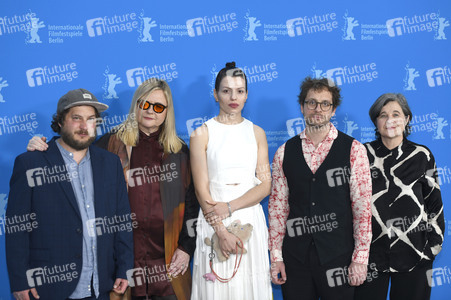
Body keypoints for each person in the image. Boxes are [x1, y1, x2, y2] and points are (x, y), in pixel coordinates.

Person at [26, 79, 199, 300]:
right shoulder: (110, 144)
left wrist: (186, 248)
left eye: (158, 107)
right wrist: (42, 147)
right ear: (136, 104)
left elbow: (192, 207)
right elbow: (73, 149)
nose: (150, 111)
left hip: (167, 264)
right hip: (121, 264)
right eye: (144, 103)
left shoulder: (179, 151)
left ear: (167, 112)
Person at [6, 88, 134, 300]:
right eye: (76, 118)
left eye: (91, 119)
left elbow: (121, 221)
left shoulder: (110, 163)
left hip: (100, 286)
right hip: (48, 288)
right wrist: (20, 280)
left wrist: (124, 267)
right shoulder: (31, 163)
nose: (85, 126)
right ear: (60, 122)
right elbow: (17, 228)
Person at [269, 77, 373, 300]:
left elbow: (363, 210)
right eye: (312, 102)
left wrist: (360, 259)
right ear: (302, 107)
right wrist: (276, 256)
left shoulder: (354, 150)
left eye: (325, 103)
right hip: (296, 259)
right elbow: (278, 210)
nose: (318, 109)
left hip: (339, 259)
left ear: (334, 110)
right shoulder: (284, 152)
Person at [189, 62, 272, 300]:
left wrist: (230, 207)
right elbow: (201, 188)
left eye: (240, 91)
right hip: (213, 221)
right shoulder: (201, 133)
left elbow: (265, 185)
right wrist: (221, 232)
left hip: (249, 221)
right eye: (226, 91)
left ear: (247, 95)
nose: (233, 97)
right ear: (215, 95)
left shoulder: (257, 133)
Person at [354, 93, 445, 300]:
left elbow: (435, 206)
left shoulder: (423, 156)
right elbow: (350, 202)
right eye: (383, 115)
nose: (390, 120)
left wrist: (431, 249)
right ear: (375, 121)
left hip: (415, 254)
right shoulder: (361, 154)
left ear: (407, 119)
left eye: (396, 114)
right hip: (369, 258)